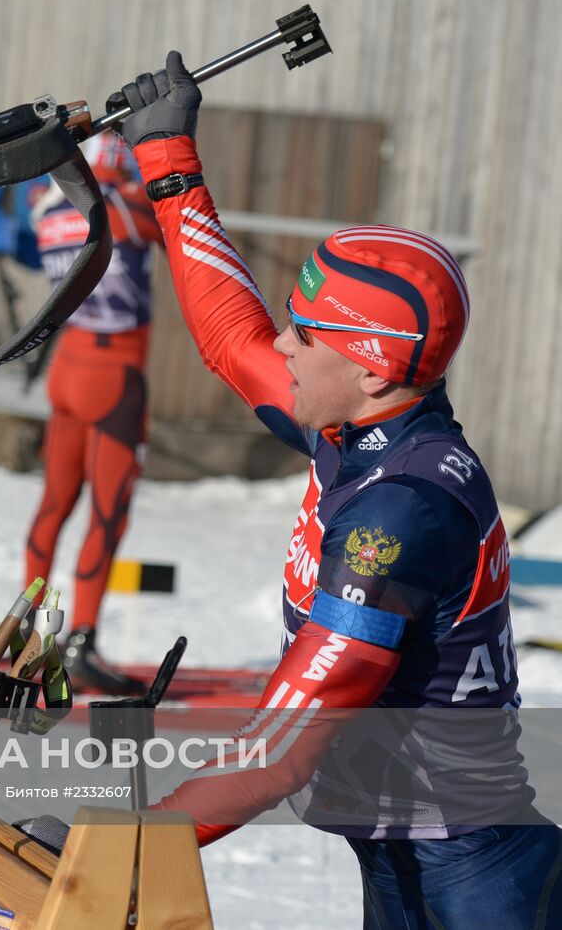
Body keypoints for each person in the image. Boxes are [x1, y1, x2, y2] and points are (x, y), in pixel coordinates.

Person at [109, 53, 559, 926]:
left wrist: (123, 840)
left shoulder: (400, 513)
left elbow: (279, 752)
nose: (281, 344)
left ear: (371, 366)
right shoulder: (362, 425)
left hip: (467, 879)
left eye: (305, 332)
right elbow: (230, 338)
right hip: (415, 858)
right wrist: (168, 161)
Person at [24, 132, 164, 694]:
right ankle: (79, 637)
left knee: (54, 503)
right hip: (115, 374)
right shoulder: (122, 207)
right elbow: (167, 221)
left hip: (70, 365)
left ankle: (25, 632)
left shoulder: (48, 206)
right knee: (108, 514)